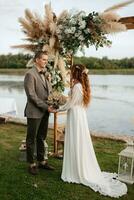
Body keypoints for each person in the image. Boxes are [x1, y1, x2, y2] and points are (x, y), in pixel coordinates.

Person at [57, 64, 127, 198]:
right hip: (78, 114)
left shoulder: (77, 86)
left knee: (76, 140)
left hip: (76, 116)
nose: (69, 74)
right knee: (76, 140)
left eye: (71, 72)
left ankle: (78, 171)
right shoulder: (78, 85)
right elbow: (73, 101)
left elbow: (71, 104)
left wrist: (58, 108)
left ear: (75, 73)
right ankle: (76, 167)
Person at [24, 51, 55, 175]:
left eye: (47, 60)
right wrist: (45, 107)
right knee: (31, 139)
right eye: (43, 59)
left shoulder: (46, 73)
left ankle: (42, 161)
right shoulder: (30, 74)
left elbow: (49, 91)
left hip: (45, 111)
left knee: (41, 137)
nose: (45, 62)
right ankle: (31, 164)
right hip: (34, 111)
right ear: (36, 60)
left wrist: (53, 101)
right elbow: (31, 95)